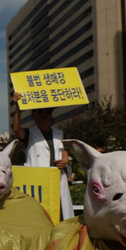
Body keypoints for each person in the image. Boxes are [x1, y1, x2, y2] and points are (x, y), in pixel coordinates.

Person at [11, 92, 74, 220]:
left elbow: (65, 154)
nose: (44, 115)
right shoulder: (29, 133)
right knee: (39, 214)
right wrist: (18, 107)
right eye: (40, 112)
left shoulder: (60, 134)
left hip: (57, 179)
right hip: (37, 179)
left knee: (60, 213)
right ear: (34, 114)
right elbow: (17, 129)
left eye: (48, 112)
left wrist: (64, 161)